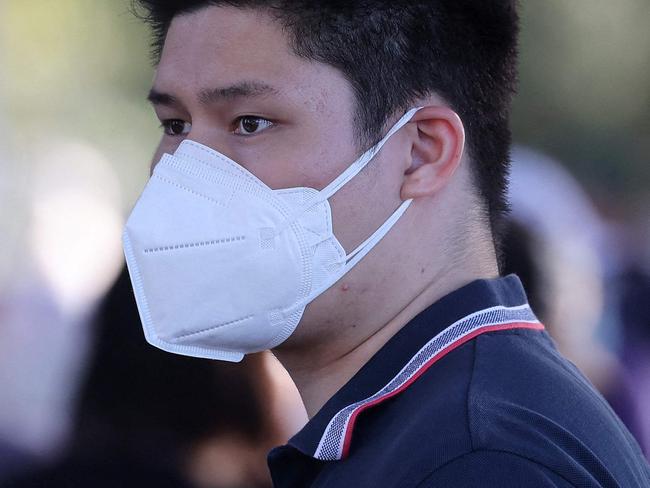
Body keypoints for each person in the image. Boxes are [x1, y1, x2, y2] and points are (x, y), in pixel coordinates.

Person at [124, 1, 650, 486]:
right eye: (175, 125)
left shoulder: (480, 460)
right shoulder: (443, 425)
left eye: (250, 122)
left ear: (422, 153)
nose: (181, 172)